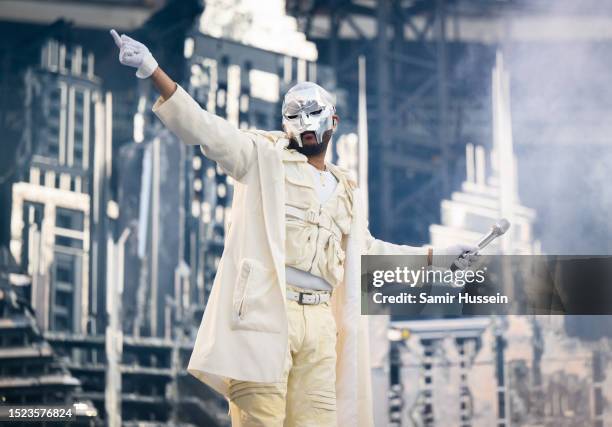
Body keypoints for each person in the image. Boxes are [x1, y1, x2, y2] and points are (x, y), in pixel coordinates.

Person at [110, 30, 478, 427]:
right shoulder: (262, 157)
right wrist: (153, 70)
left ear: (333, 120)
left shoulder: (346, 189)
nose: (304, 122)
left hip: (319, 321)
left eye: (313, 112)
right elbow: (208, 131)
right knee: (260, 419)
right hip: (269, 312)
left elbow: (366, 251)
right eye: (294, 114)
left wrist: (437, 257)